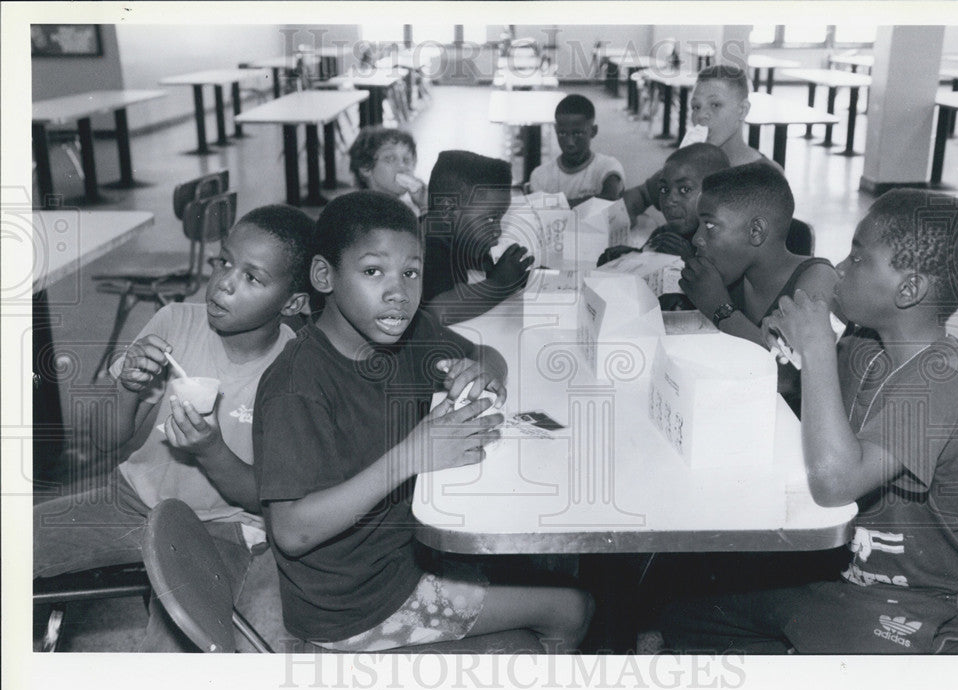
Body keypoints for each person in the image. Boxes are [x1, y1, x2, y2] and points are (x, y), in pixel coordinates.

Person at [253, 191, 592, 653]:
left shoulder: (406, 333)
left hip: (405, 551)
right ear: (323, 276)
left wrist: (486, 370)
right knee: (572, 605)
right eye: (373, 271)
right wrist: (413, 455)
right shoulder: (297, 387)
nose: (398, 292)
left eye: (410, 273)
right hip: (360, 605)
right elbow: (292, 532)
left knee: (557, 560)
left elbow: (481, 352)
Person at [657, 190, 958, 654]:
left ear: (908, 290)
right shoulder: (865, 345)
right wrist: (792, 349)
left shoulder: (941, 382)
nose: (842, 268)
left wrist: (815, 351)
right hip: (843, 573)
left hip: (924, 600)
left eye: (858, 257)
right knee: (686, 612)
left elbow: (834, 482)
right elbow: (804, 400)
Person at [33, 204, 314, 651]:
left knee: (175, 649)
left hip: (220, 529)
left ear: (293, 303)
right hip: (130, 501)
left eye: (252, 278)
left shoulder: (297, 371)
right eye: (224, 262)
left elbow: (266, 496)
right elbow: (105, 438)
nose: (224, 282)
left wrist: (210, 450)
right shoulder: (175, 323)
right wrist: (128, 386)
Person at [679, 161, 838, 415]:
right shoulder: (730, 274)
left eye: (709, 227)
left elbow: (786, 379)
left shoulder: (816, 283)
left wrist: (720, 310)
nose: (697, 238)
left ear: (756, 231)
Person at [422, 150, 534, 325]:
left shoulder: (452, 235)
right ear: (448, 211)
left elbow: (480, 262)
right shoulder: (427, 246)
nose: (497, 230)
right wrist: (500, 283)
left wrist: (515, 273)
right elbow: (439, 311)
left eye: (500, 219)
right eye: (490, 219)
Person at [598, 143, 731, 266]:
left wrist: (689, 262)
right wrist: (629, 256)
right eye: (664, 189)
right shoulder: (664, 235)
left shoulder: (725, 244)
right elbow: (648, 264)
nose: (669, 200)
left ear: (716, 193)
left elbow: (720, 289)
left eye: (685, 189)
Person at [528, 93, 625, 207]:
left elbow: (610, 199)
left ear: (593, 131)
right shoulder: (540, 175)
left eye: (577, 133)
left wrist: (555, 207)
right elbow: (537, 214)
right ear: (555, 130)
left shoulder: (608, 166)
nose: (570, 143)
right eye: (562, 133)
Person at [688, 64, 779, 169]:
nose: (700, 115)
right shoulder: (687, 168)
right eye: (696, 107)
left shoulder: (769, 176)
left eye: (715, 105)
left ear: (742, 110)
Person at [348, 126, 426, 217]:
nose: (402, 167)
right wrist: (426, 209)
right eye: (390, 159)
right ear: (366, 167)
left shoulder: (406, 208)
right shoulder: (364, 213)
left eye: (406, 160)